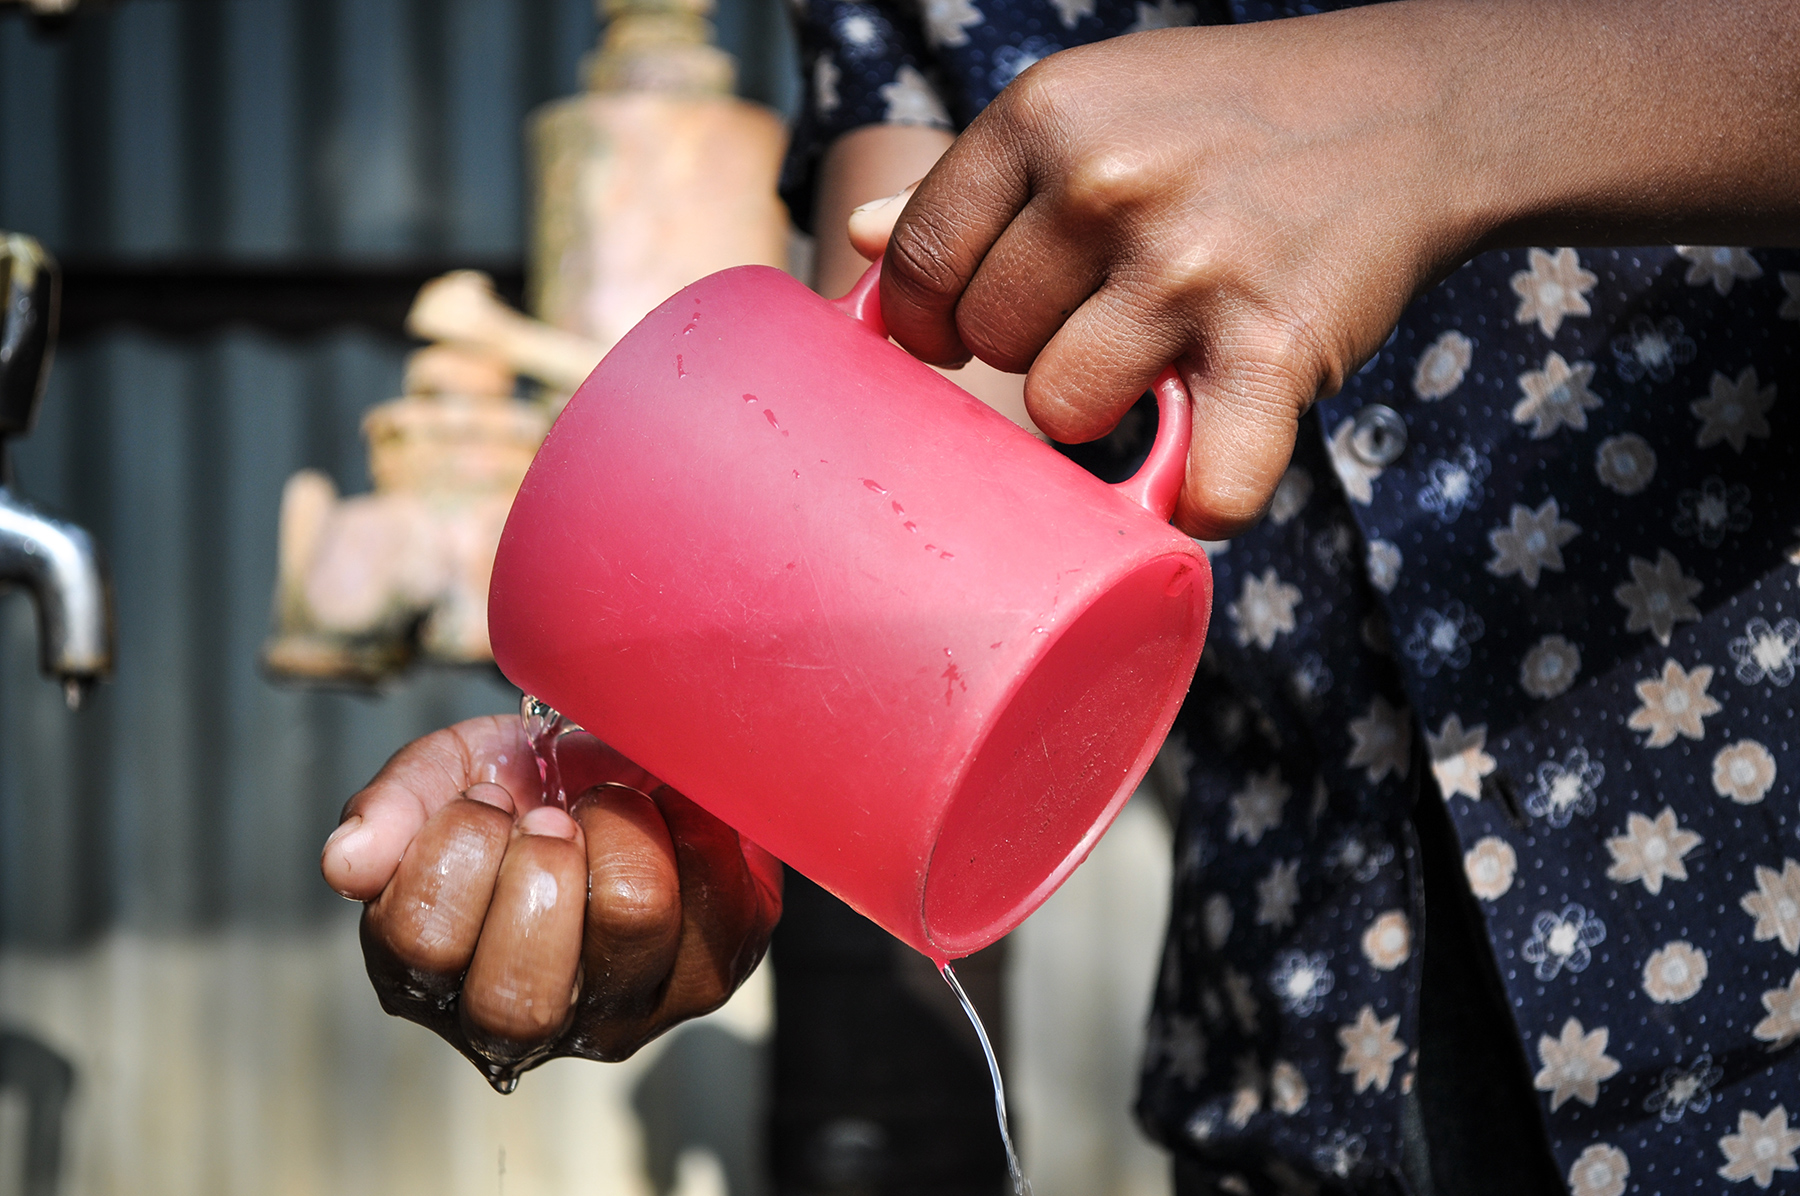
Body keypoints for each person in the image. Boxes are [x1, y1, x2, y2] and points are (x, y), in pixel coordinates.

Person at [323, 2, 1800, 1191]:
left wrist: (1444, 108)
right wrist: (707, 757)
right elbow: (902, 423)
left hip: (1747, 973)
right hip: (1304, 1051)